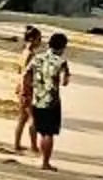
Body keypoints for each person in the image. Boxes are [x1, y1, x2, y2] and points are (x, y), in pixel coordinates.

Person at [27, 31, 71, 170]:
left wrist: (29, 90)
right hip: (51, 100)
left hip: (36, 97)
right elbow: (65, 82)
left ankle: (34, 148)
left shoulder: (37, 58)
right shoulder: (61, 62)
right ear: (62, 47)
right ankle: (45, 162)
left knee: (36, 125)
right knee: (48, 133)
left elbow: (26, 75)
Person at [10, 26, 42, 155]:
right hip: (27, 89)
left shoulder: (24, 52)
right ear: (33, 39)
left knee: (22, 117)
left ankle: (17, 144)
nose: (40, 42)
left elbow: (19, 70)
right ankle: (34, 146)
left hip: (21, 87)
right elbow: (26, 74)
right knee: (33, 119)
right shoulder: (31, 55)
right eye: (39, 39)